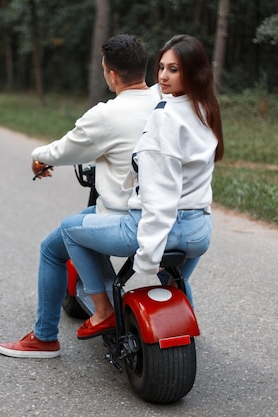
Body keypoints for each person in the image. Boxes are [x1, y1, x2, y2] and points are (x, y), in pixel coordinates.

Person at [0, 34, 161, 359]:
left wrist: (38, 156)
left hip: (121, 218)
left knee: (52, 249)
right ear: (145, 68)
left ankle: (45, 338)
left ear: (111, 74)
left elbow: (63, 149)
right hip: (169, 216)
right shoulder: (165, 102)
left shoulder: (107, 115)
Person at [60, 34, 224, 340]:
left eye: (173, 69)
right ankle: (182, 322)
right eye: (161, 67)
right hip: (199, 231)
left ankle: (103, 311)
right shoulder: (205, 111)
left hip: (161, 227)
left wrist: (147, 258)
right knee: (173, 280)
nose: (162, 76)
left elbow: (160, 198)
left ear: (193, 72)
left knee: (70, 229)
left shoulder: (164, 118)